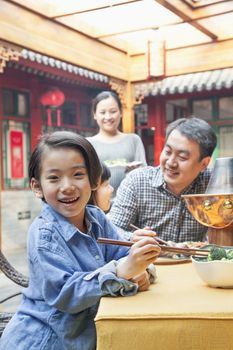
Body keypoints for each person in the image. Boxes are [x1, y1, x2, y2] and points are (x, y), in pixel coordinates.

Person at [0, 131, 160, 350]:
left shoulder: (97, 218)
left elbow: (124, 256)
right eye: (54, 178)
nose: (67, 186)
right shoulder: (43, 234)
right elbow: (66, 293)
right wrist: (123, 272)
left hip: (81, 338)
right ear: (37, 187)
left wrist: (140, 270)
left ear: (94, 179)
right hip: (42, 341)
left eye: (77, 174)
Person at [108, 117, 217, 243]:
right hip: (146, 261)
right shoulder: (137, 182)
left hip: (193, 262)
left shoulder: (213, 184)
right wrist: (131, 238)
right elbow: (111, 230)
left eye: (182, 157)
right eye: (168, 151)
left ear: (204, 164)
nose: (171, 162)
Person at [87, 91, 147, 197]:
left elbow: (144, 174)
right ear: (95, 115)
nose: (108, 117)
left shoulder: (133, 140)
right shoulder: (88, 144)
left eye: (113, 111)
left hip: (131, 202)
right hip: (99, 206)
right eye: (102, 112)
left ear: (121, 112)